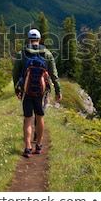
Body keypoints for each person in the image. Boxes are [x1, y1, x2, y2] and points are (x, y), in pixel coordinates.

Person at [13, 28, 62, 158]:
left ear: (28, 39)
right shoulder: (47, 54)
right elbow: (54, 74)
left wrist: (17, 89)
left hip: (27, 91)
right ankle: (39, 145)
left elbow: (15, 73)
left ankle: (28, 147)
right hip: (41, 92)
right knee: (40, 117)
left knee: (28, 119)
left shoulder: (22, 53)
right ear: (39, 39)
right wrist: (58, 90)